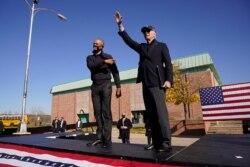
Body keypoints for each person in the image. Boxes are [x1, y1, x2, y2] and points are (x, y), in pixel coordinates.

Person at [115, 11, 173, 152]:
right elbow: (129, 41)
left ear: (155, 33)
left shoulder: (161, 46)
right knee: (151, 116)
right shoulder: (142, 47)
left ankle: (166, 142)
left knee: (161, 114)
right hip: (145, 84)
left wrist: (169, 80)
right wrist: (120, 25)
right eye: (144, 32)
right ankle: (156, 141)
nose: (146, 33)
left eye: (149, 31)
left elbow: (168, 64)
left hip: (158, 84)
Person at [86, 38, 122, 149]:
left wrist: (118, 86)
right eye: (94, 43)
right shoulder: (90, 58)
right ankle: (99, 138)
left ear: (102, 45)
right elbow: (91, 66)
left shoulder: (108, 56)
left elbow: (115, 72)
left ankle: (107, 140)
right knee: (97, 112)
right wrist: (104, 62)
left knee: (106, 112)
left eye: (97, 43)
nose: (94, 44)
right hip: (95, 86)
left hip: (106, 84)